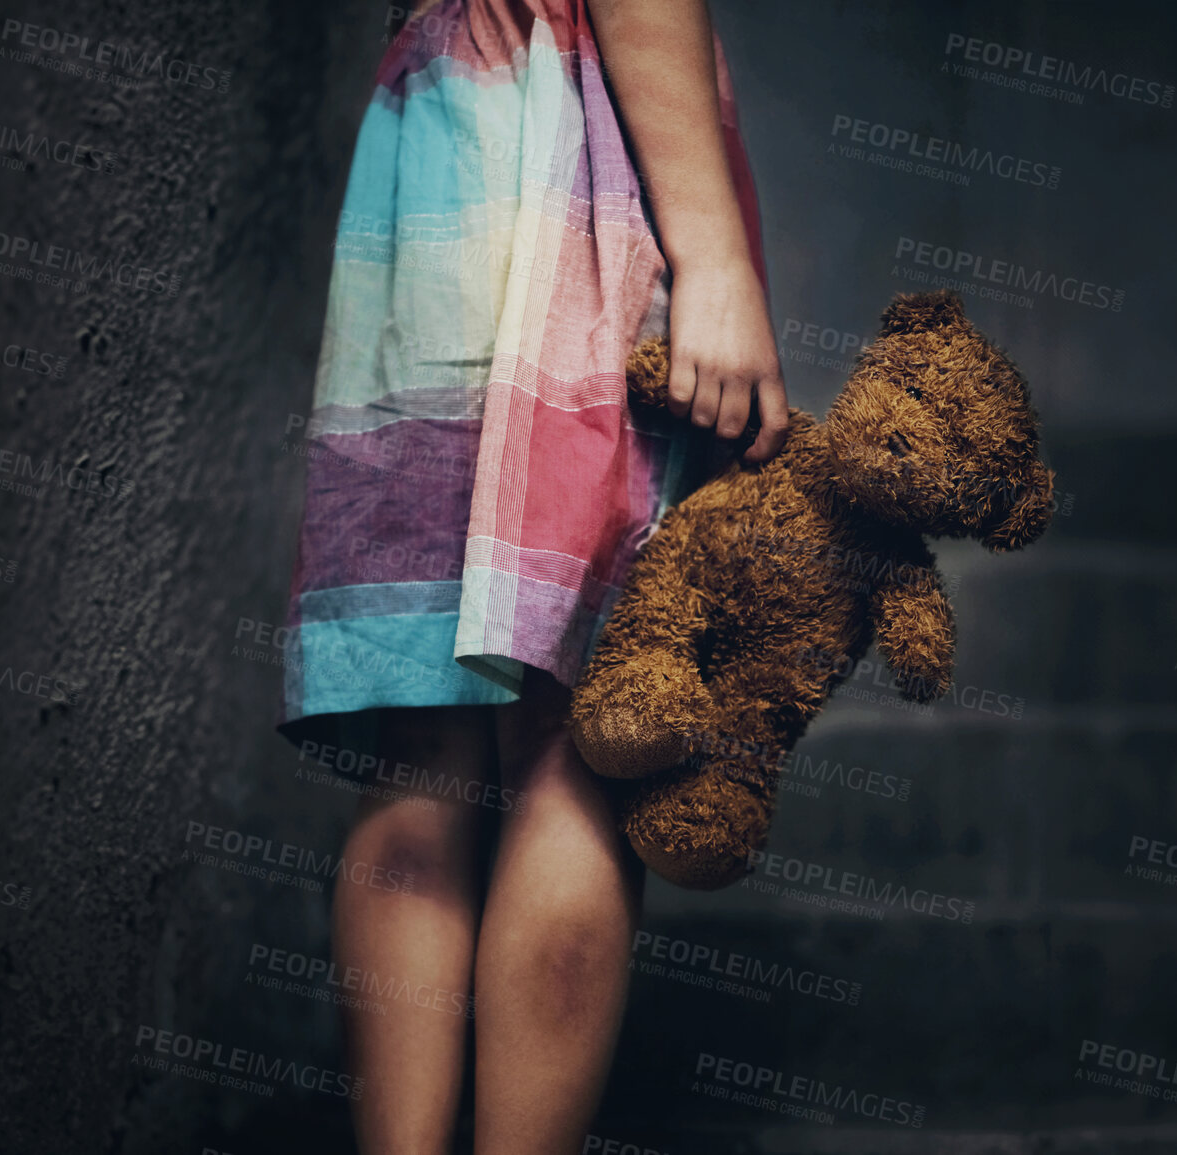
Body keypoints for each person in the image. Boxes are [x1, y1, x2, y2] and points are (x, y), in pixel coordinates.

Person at [275, 0, 784, 1149]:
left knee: (423, 750)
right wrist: (711, 253)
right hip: (580, 162)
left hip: (439, 142)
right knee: (577, 746)